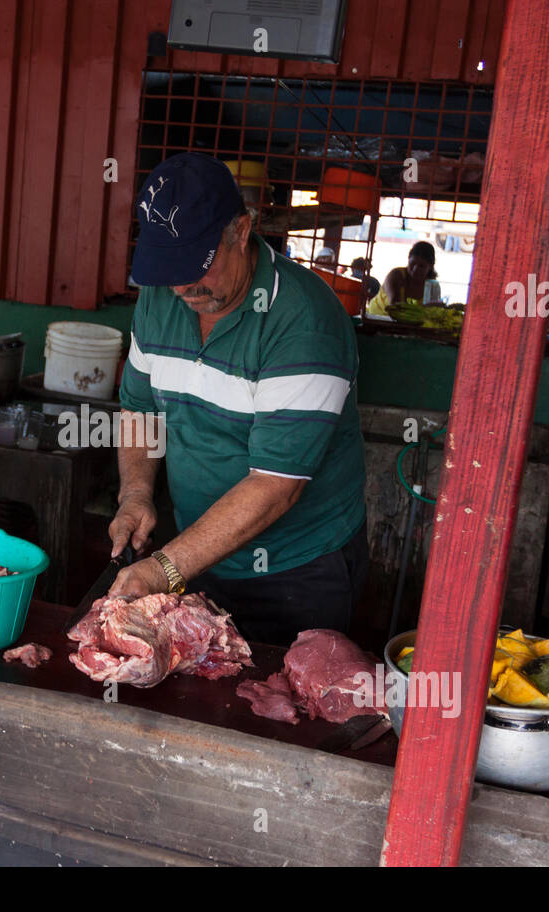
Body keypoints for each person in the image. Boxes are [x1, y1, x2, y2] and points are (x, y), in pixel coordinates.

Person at [107, 153, 368, 645]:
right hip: (199, 554)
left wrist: (164, 569)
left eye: (196, 267)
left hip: (298, 570)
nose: (183, 287)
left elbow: (275, 486)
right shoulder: (161, 298)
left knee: (281, 705)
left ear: (242, 231)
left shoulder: (304, 321)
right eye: (171, 270)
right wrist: (136, 493)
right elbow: (139, 409)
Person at [365, 240, 439, 315]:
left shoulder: (432, 285)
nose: (415, 269)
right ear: (408, 259)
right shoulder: (396, 275)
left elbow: (433, 312)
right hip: (377, 318)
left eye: (421, 266)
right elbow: (395, 305)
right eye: (413, 263)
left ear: (430, 266)